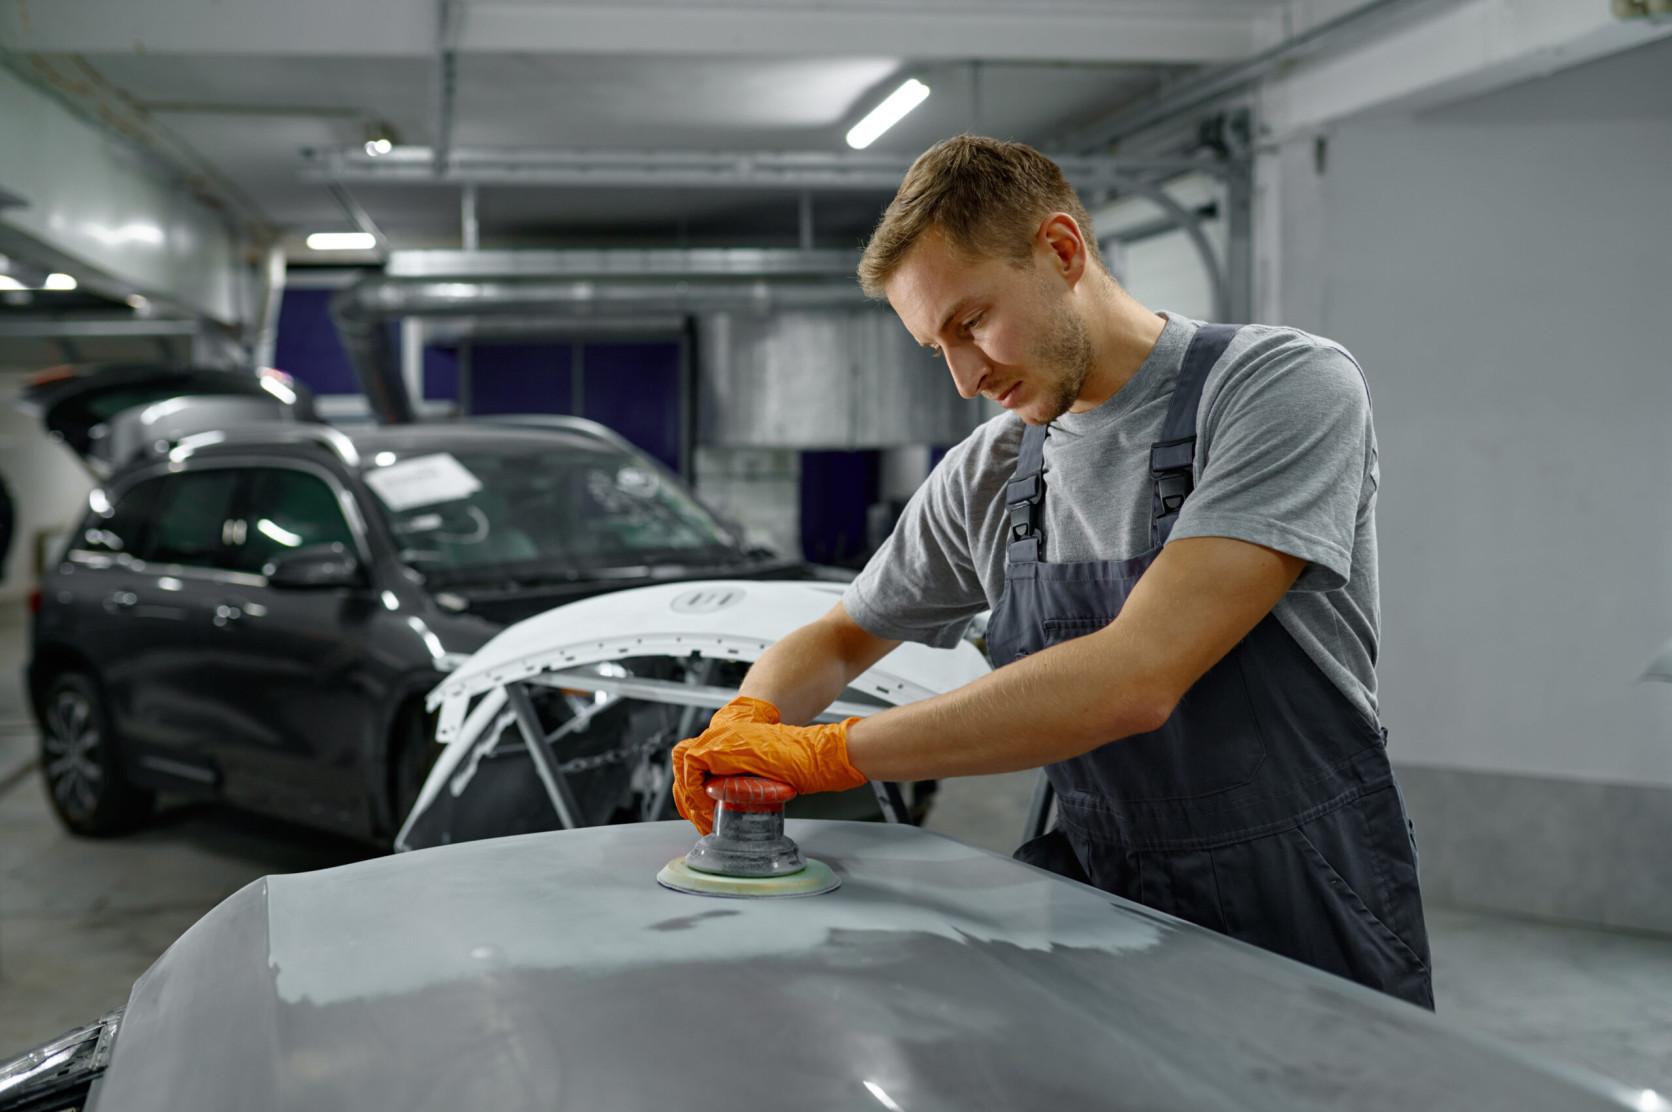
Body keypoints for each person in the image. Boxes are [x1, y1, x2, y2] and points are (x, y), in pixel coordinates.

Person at [673, 135, 1432, 1009]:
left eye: (972, 324)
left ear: (1062, 252)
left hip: (1301, 902)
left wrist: (823, 754)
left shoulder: (1278, 388)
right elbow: (840, 638)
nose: (964, 377)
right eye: (936, 348)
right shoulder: (991, 472)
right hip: (1100, 895)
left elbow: (1136, 677)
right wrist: (748, 718)